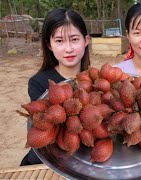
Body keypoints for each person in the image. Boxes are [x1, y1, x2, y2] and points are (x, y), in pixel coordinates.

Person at [20, 8, 91, 166]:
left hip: (84, 161)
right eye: (59, 41)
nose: (68, 48)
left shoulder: (94, 80)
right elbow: (43, 126)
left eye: (74, 39)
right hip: (47, 161)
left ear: (86, 40)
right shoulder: (38, 83)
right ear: (49, 45)